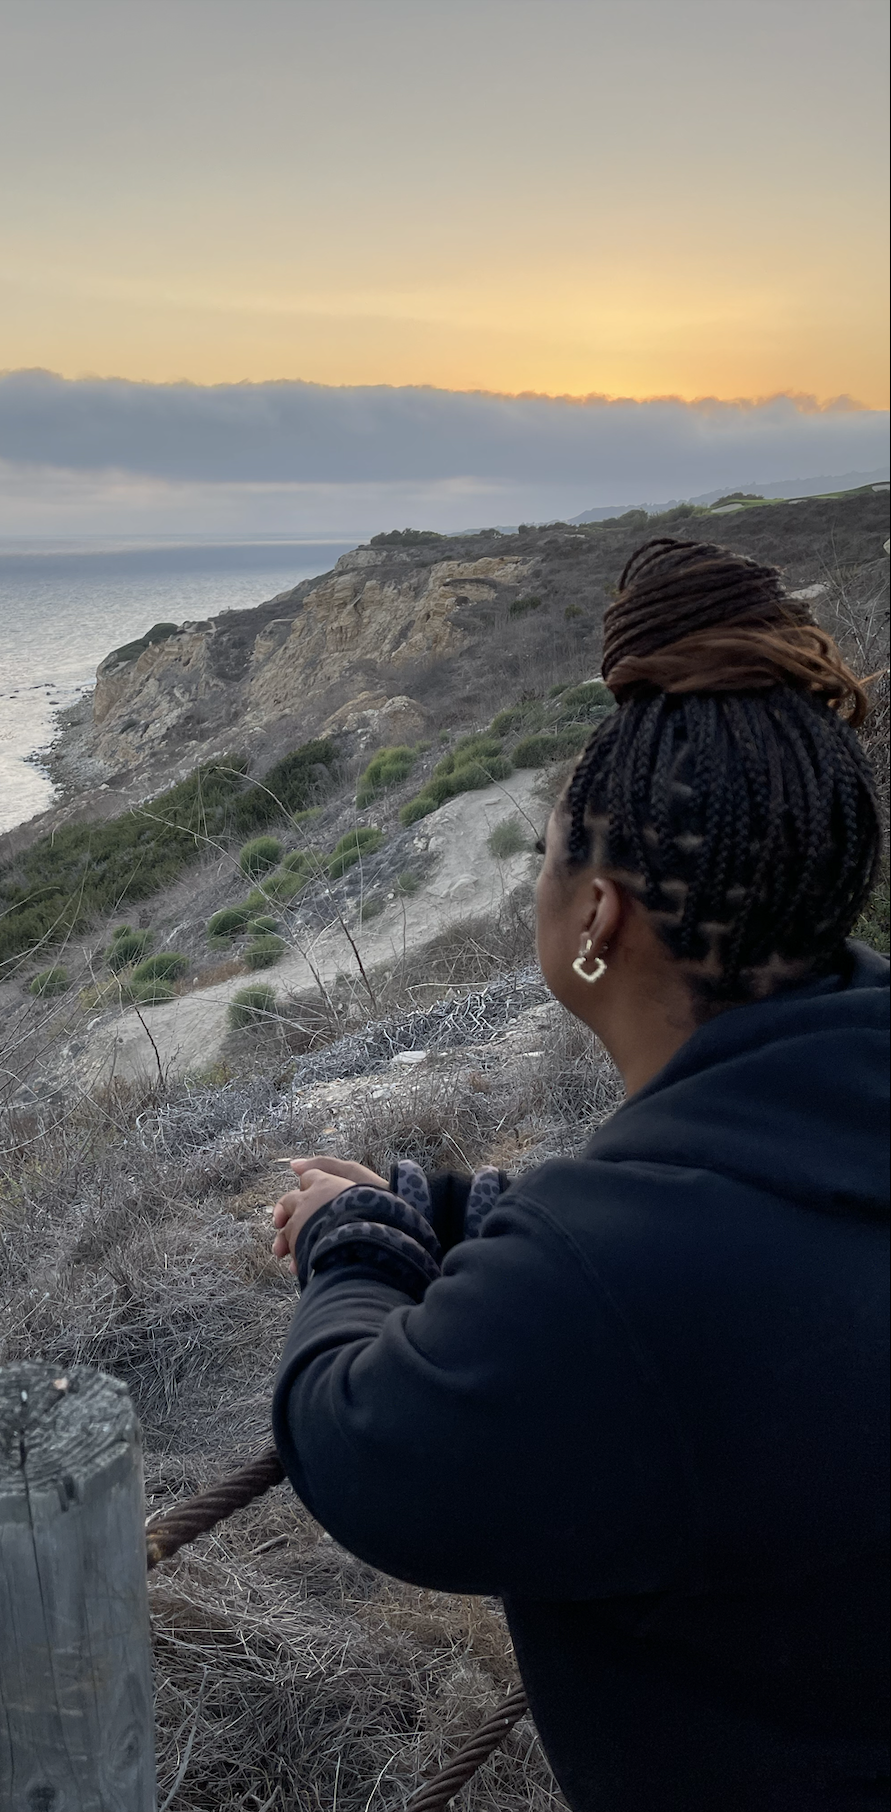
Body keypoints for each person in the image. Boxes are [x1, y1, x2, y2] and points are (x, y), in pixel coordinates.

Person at [270, 538, 889, 1812]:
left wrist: (355, 1249)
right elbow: (743, 1235)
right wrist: (476, 1216)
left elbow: (366, 1450)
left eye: (543, 860)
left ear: (598, 918)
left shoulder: (611, 1282)